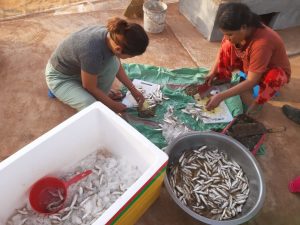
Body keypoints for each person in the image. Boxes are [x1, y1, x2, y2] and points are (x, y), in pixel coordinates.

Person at [45, 17, 149, 113]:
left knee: (113, 65)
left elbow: (117, 66)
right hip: (60, 77)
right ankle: (57, 90)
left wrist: (133, 90)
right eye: (130, 56)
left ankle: (88, 90)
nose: (130, 58)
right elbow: (89, 86)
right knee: (91, 106)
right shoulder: (92, 52)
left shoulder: (114, 35)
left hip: (79, 68)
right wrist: (112, 105)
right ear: (118, 49)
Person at [205, 3, 291, 114]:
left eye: (230, 34)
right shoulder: (241, 31)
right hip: (250, 63)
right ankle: (223, 77)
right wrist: (213, 71)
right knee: (227, 45)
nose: (227, 37)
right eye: (225, 34)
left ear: (244, 27)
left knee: (274, 77)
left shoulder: (262, 43)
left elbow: (252, 81)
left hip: (268, 71)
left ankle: (258, 103)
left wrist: (220, 97)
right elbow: (222, 50)